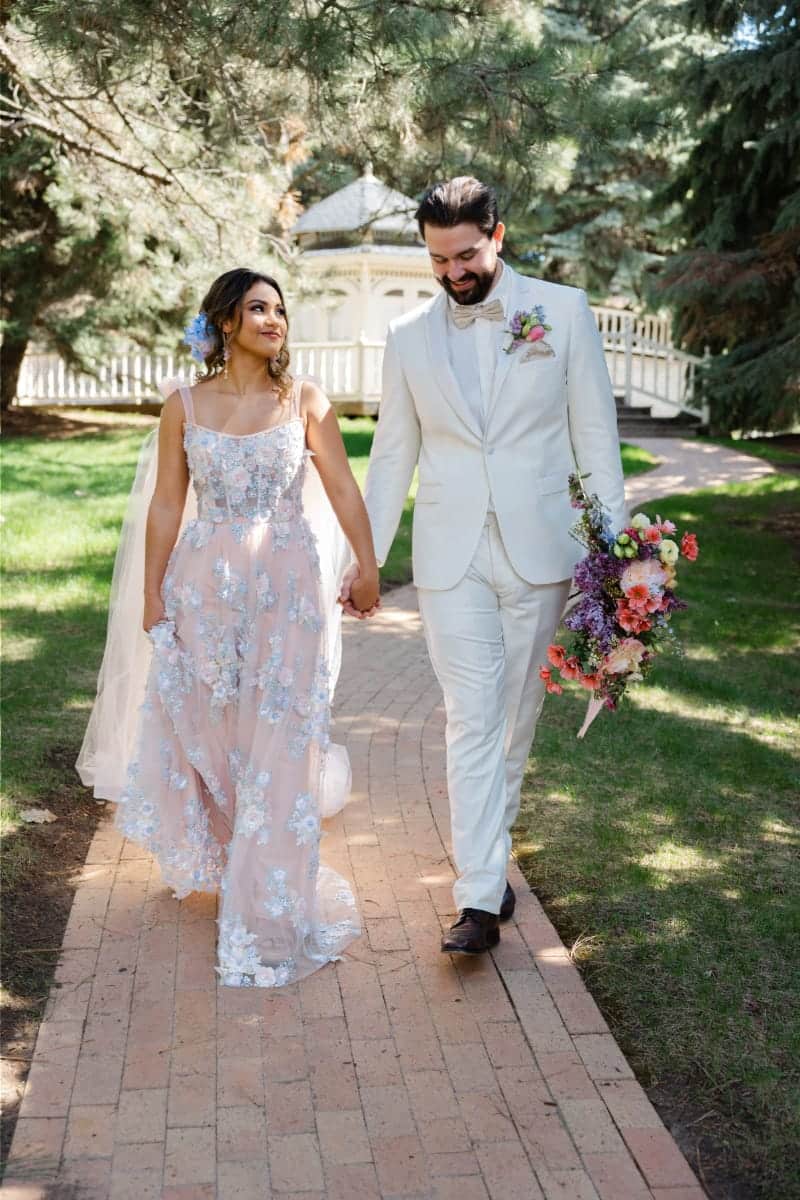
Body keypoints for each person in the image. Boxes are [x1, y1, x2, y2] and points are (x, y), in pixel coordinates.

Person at [343, 177, 626, 955]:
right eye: (439, 259)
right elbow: (393, 456)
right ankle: (477, 898)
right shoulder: (407, 337)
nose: (453, 272)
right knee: (471, 717)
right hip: (448, 555)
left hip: (542, 549)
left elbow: (596, 445)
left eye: (466, 254)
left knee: (513, 720)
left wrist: (619, 557)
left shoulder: (563, 313)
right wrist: (361, 559)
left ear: (497, 235)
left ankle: (488, 865)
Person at [77, 268, 380, 988]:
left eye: (280, 308)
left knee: (281, 734)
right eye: (258, 307)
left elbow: (340, 486)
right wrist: (152, 593)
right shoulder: (182, 405)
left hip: (286, 593)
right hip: (203, 591)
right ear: (225, 321)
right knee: (209, 726)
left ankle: (268, 898)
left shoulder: (305, 401)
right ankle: (224, 853)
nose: (274, 319)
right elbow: (163, 507)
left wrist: (367, 564)